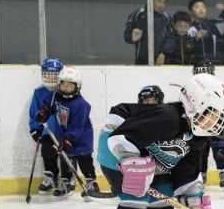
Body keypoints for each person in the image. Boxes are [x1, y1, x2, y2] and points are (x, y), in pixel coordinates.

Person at [103, 73, 224, 209]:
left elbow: (186, 175)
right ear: (192, 104)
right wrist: (132, 162)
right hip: (114, 157)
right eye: (210, 112)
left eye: (217, 114)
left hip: (151, 165)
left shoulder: (199, 136)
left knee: (165, 191)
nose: (214, 120)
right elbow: (120, 137)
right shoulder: (168, 118)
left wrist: (194, 202)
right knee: (136, 195)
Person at [34, 66, 99, 197]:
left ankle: (91, 183)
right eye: (63, 85)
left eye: (70, 86)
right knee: (65, 159)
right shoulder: (55, 97)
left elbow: (77, 126)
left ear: (77, 86)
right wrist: (44, 111)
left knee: (84, 161)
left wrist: (68, 139)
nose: (66, 88)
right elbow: (48, 105)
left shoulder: (81, 105)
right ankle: (66, 182)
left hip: (81, 138)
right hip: (64, 135)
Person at [96, 85, 165, 196]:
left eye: (153, 100)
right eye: (146, 101)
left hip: (112, 158)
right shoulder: (137, 115)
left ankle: (120, 191)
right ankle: (120, 191)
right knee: (127, 195)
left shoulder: (152, 116)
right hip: (111, 159)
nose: (149, 104)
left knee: (127, 193)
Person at [192, 61, 224, 190]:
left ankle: (223, 171)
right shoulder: (192, 88)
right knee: (201, 149)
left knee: (220, 148)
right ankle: (201, 173)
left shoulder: (219, 87)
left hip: (218, 118)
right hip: (200, 120)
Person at [28, 57, 64, 194]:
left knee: (68, 155)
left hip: (64, 131)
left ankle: (68, 179)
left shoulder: (66, 89)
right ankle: (51, 177)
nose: (50, 78)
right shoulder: (39, 93)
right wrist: (34, 129)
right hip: (47, 132)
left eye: (54, 74)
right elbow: (34, 112)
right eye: (48, 74)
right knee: (47, 153)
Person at [123, 0, 172, 65]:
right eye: (158, 1)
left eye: (164, 2)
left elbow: (171, 38)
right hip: (141, 60)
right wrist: (132, 37)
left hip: (161, 60)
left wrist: (163, 53)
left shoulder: (167, 18)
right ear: (150, 0)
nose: (161, 5)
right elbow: (127, 35)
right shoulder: (138, 14)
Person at [187, 0, 224, 65]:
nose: (201, 9)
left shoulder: (213, 23)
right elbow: (187, 47)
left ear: (206, 10)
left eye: (203, 7)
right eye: (197, 7)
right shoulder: (190, 28)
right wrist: (196, 38)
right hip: (198, 66)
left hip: (216, 64)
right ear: (190, 12)